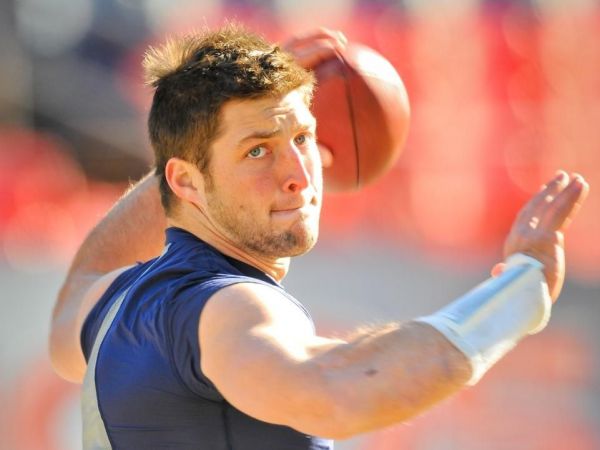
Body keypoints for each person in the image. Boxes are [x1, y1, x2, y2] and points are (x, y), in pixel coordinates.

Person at [49, 24, 589, 449]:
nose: (300, 174)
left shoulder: (112, 301)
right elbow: (334, 390)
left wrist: (190, 165)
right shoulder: (234, 306)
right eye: (257, 149)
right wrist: (520, 292)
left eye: (303, 137)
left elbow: (80, 286)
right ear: (184, 181)